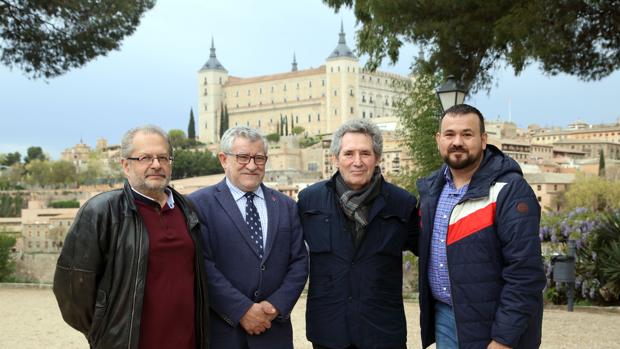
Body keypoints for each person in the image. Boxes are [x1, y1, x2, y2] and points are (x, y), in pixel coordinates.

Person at [53, 125, 210, 349]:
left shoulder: (188, 210)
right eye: (145, 158)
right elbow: (71, 290)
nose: (156, 165)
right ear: (126, 165)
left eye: (163, 158)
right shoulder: (101, 212)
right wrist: (104, 331)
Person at [417, 104, 546, 349]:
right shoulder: (431, 190)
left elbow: (525, 273)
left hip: (492, 323)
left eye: (467, 134)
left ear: (483, 139)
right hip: (445, 317)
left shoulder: (509, 190)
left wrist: (503, 339)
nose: (457, 142)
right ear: (438, 140)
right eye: (449, 134)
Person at [298, 119, 418, 349]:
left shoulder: (402, 204)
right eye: (348, 153)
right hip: (329, 332)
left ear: (377, 158)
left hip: (383, 333)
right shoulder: (308, 201)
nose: (357, 162)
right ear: (335, 159)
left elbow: (432, 252)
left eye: (365, 153)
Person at [188, 126, 308, 349]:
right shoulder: (198, 205)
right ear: (224, 159)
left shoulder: (286, 206)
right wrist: (241, 310)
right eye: (243, 157)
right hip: (224, 334)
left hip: (274, 333)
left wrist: (275, 306)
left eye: (259, 158)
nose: (252, 165)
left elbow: (299, 262)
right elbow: (202, 265)